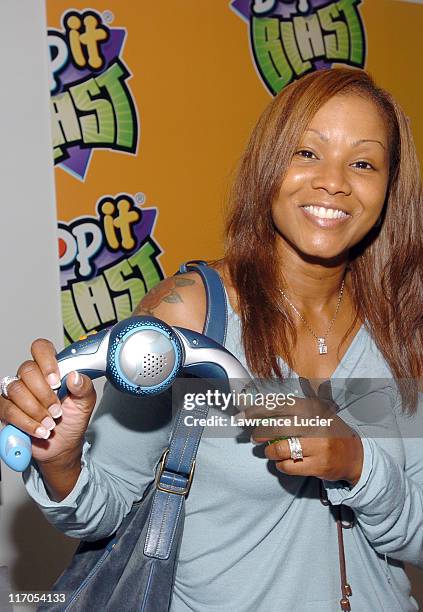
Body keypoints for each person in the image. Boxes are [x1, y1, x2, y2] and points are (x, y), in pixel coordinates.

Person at [1, 67, 423, 611]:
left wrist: (358, 466)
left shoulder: (404, 328)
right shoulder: (190, 314)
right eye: (306, 153)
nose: (334, 181)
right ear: (268, 165)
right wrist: (61, 463)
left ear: (389, 187)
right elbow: (108, 511)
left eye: (363, 163)